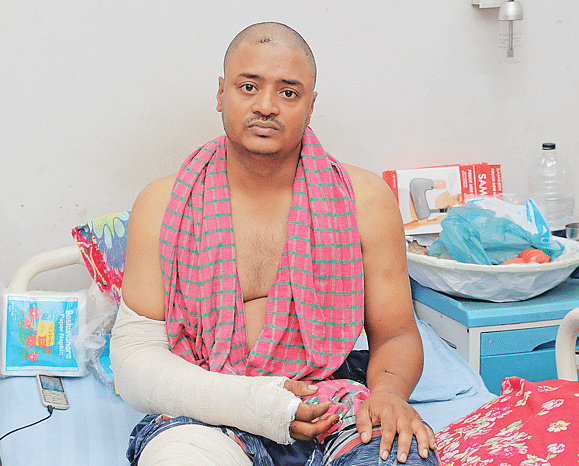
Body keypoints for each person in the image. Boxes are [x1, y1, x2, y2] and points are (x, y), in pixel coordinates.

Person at [111, 22, 438, 466]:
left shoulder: (364, 200)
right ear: (221, 92)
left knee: (399, 455)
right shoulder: (163, 203)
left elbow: (397, 332)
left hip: (332, 401)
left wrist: (388, 394)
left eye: (288, 93)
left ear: (310, 105)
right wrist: (259, 404)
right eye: (249, 86)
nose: (266, 106)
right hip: (205, 412)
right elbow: (136, 360)